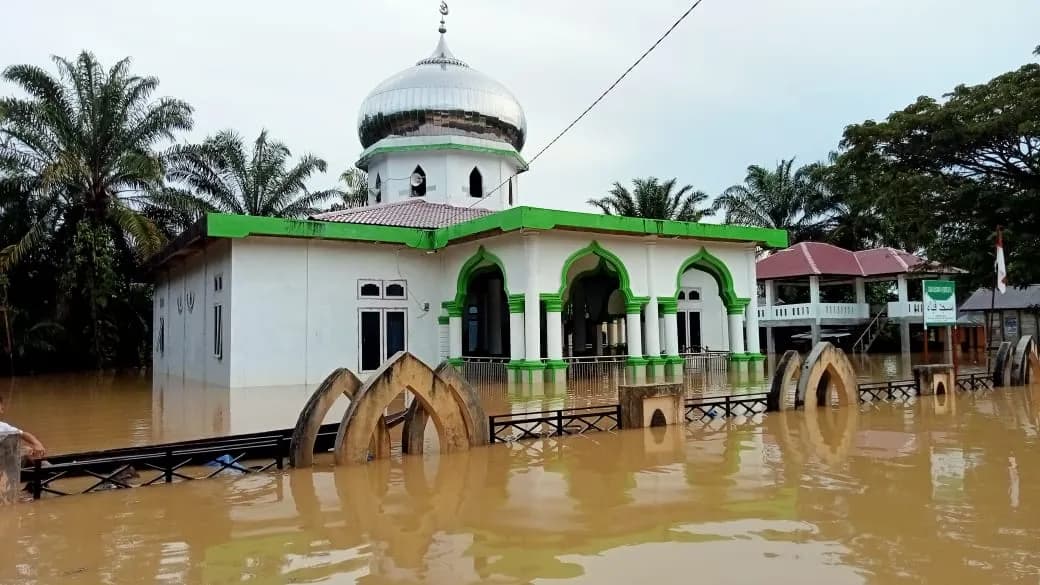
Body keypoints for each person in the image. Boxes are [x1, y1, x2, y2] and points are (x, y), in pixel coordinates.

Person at [0, 394, 46, 461]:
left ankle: (48, 469)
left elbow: (23, 434)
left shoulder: (3, 426)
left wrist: (37, 444)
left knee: (29, 451)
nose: (2, 408)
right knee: (26, 450)